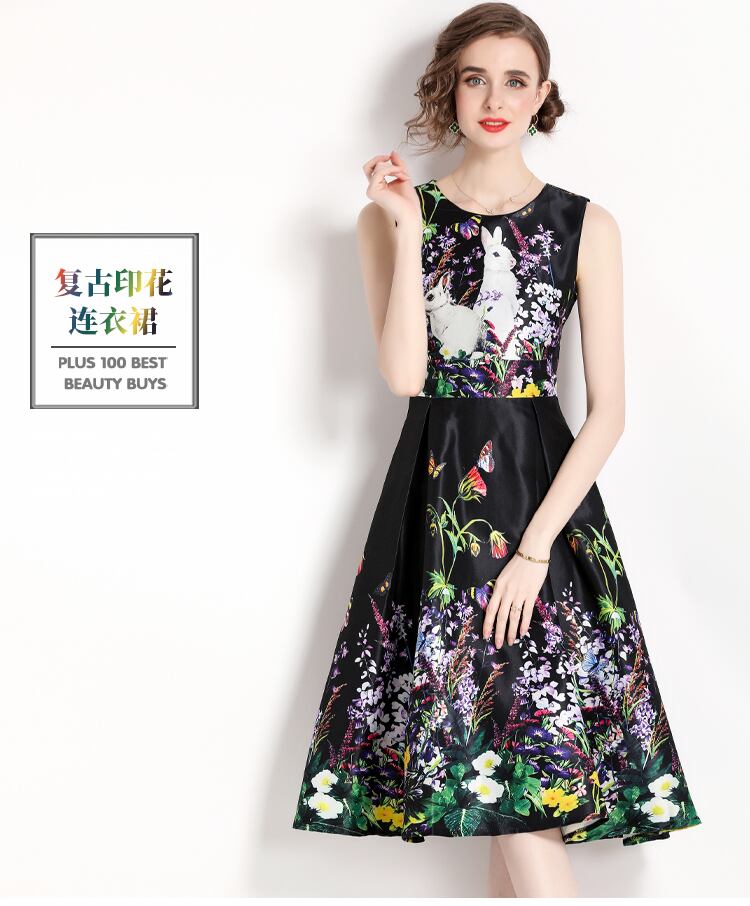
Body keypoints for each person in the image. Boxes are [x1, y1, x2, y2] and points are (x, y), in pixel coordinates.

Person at [291, 2, 702, 897]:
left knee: (517, 756)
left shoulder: (585, 225)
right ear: (449, 88)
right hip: (438, 504)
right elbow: (407, 374)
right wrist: (406, 228)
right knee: (496, 763)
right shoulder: (392, 218)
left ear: (542, 95)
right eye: (475, 78)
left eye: (515, 81)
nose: (494, 99)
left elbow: (609, 412)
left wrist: (536, 549)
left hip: (542, 506)